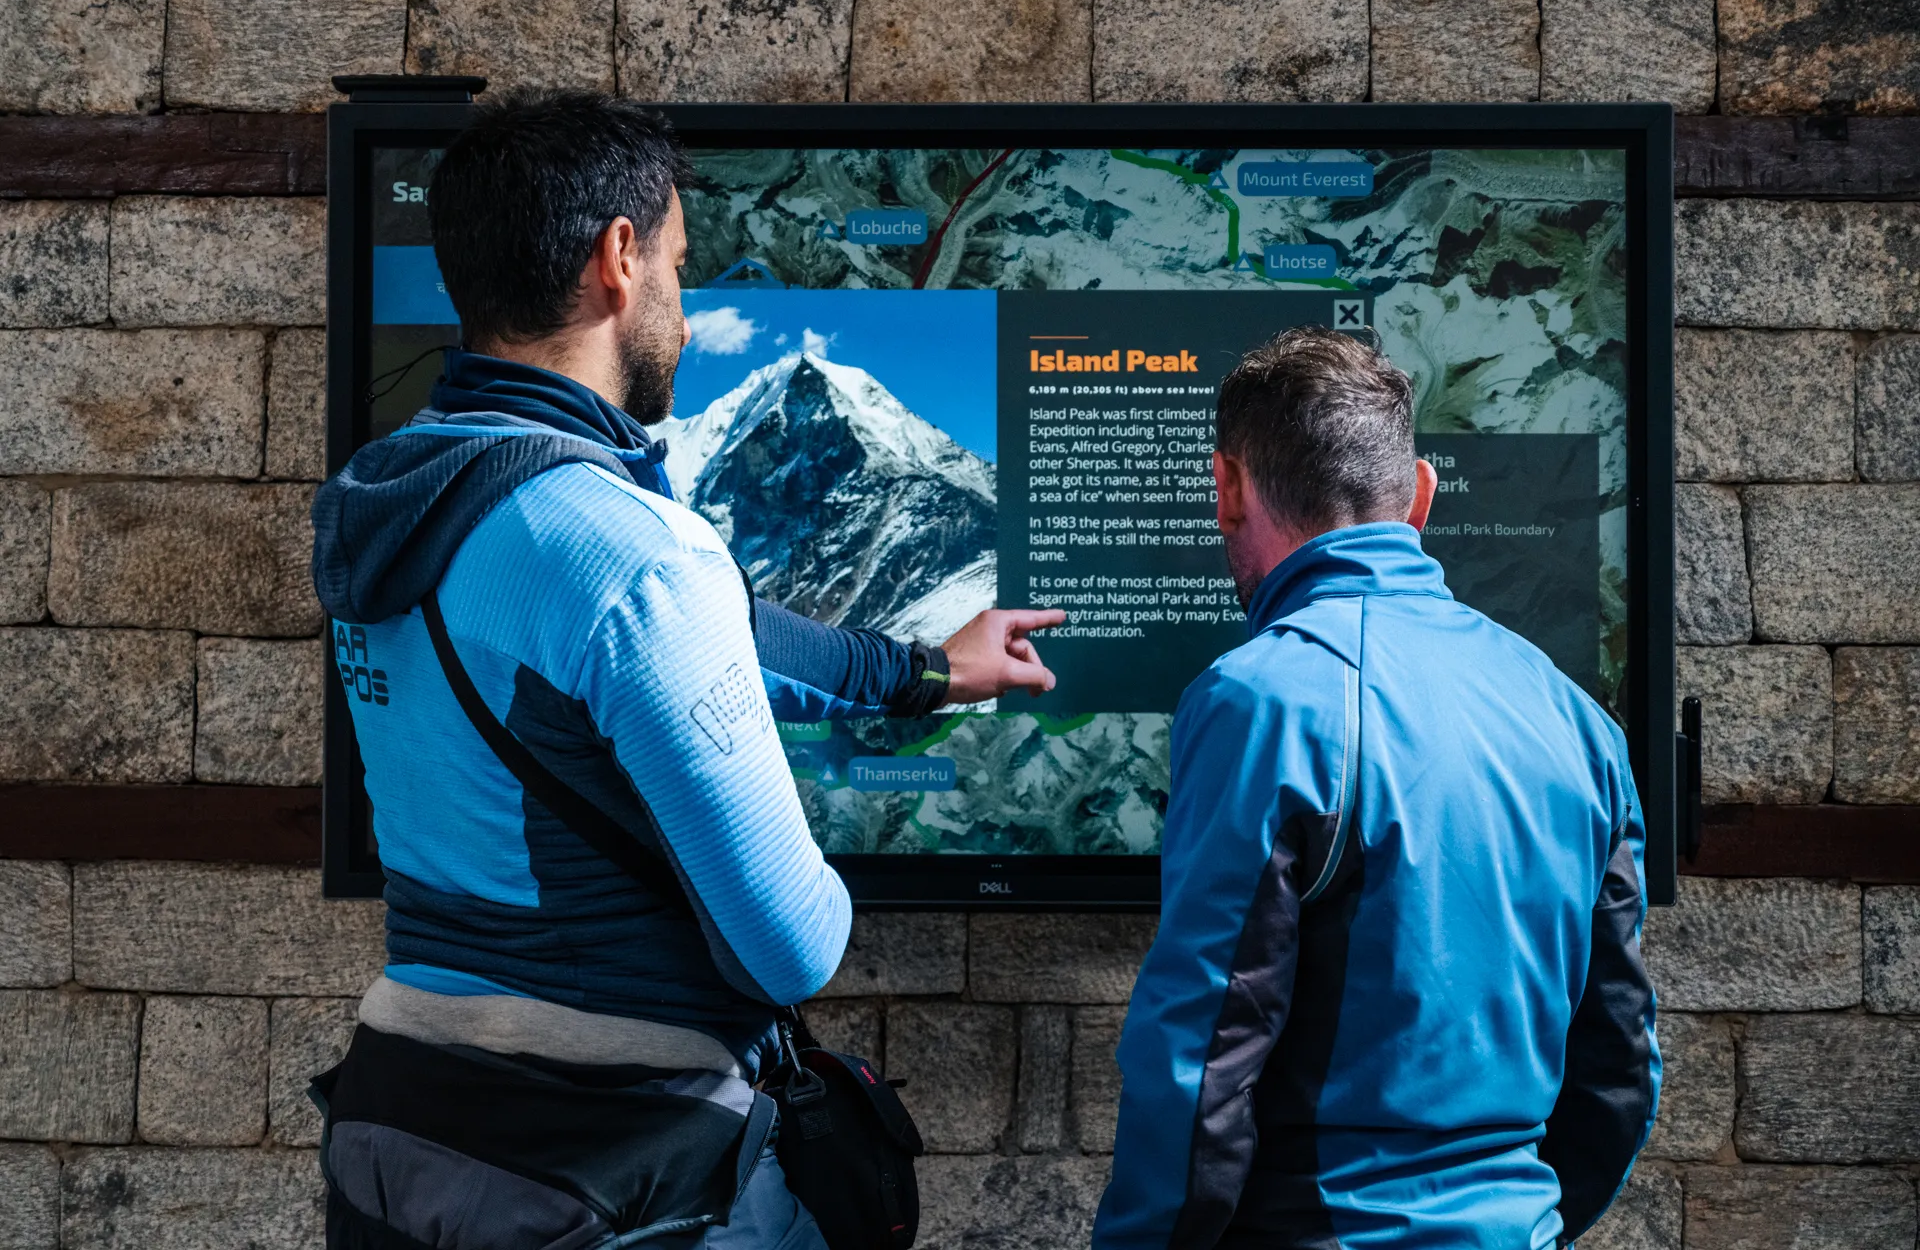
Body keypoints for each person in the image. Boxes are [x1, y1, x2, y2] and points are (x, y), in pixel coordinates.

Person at [308, 92, 1061, 1249]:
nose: (682, 296)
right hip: (625, 1163)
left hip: (418, 1128)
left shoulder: (396, 500)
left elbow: (709, 633)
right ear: (619, 260)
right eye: (677, 258)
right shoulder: (628, 549)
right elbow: (791, 941)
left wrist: (920, 671)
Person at [1091, 327, 1659, 1250]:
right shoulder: (1575, 716)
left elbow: (1201, 1056)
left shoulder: (1260, 702)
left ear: (1228, 487)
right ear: (1421, 495)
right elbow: (1618, 1051)